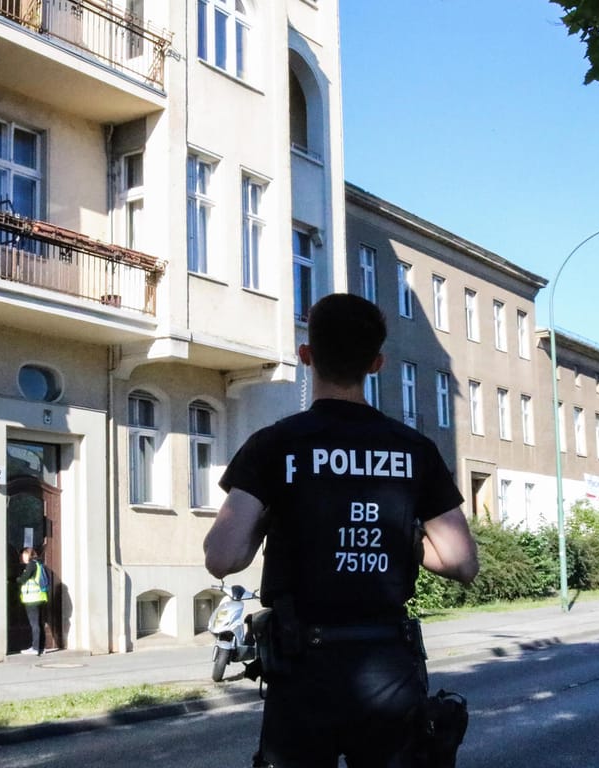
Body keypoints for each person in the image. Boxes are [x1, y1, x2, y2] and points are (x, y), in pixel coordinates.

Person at [204, 293, 479, 768]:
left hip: (302, 669)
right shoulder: (414, 450)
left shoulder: (275, 445)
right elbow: (461, 562)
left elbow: (222, 557)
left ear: (306, 356)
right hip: (387, 667)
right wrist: (401, 535)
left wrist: (272, 516)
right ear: (376, 363)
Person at [16, 547, 48, 655]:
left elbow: (24, 579)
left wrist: (17, 579)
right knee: (39, 623)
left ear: (28, 555)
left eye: (23, 555)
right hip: (40, 597)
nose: (22, 557)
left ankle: (35, 648)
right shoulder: (39, 564)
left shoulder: (31, 565)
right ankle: (41, 648)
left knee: (34, 624)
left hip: (32, 599)